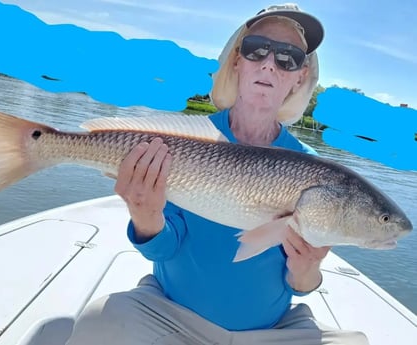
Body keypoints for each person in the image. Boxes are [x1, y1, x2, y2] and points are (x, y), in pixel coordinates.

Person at [66, 4, 369, 345]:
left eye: (289, 57)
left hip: (269, 331)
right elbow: (163, 251)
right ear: (237, 59)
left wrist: (307, 270)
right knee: (97, 323)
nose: (270, 63)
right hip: (169, 315)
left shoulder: (314, 171)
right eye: (258, 49)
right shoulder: (187, 142)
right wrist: (145, 215)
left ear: (300, 76)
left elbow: (298, 286)